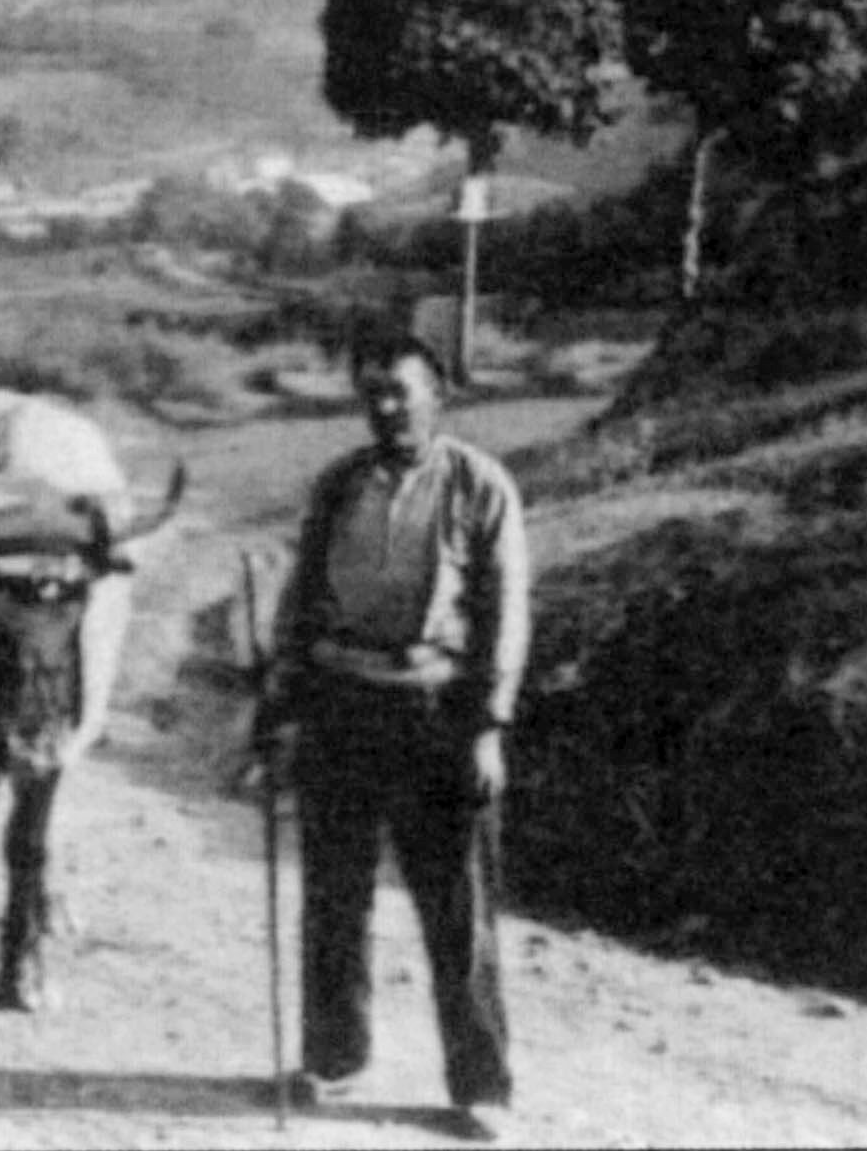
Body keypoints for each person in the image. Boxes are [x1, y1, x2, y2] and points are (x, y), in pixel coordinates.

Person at [255, 330, 531, 1142]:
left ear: (436, 393)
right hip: (341, 705)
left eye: (399, 392)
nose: (384, 408)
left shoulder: (479, 486)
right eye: (371, 393)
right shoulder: (338, 485)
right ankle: (334, 1059)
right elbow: (300, 599)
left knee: (458, 909)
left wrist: (487, 729)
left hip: (435, 715)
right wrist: (281, 700)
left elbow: (506, 617)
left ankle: (480, 1086)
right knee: (333, 897)